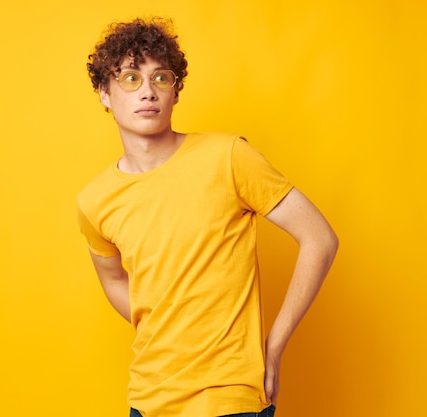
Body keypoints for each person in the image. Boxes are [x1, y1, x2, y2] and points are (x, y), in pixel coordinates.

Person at [77, 17, 338, 417]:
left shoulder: (229, 157)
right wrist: (168, 316)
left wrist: (274, 344)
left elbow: (319, 238)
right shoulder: (95, 200)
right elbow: (114, 278)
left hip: (232, 400)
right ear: (104, 94)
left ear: (175, 91)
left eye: (160, 78)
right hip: (148, 402)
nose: (147, 91)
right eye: (130, 78)